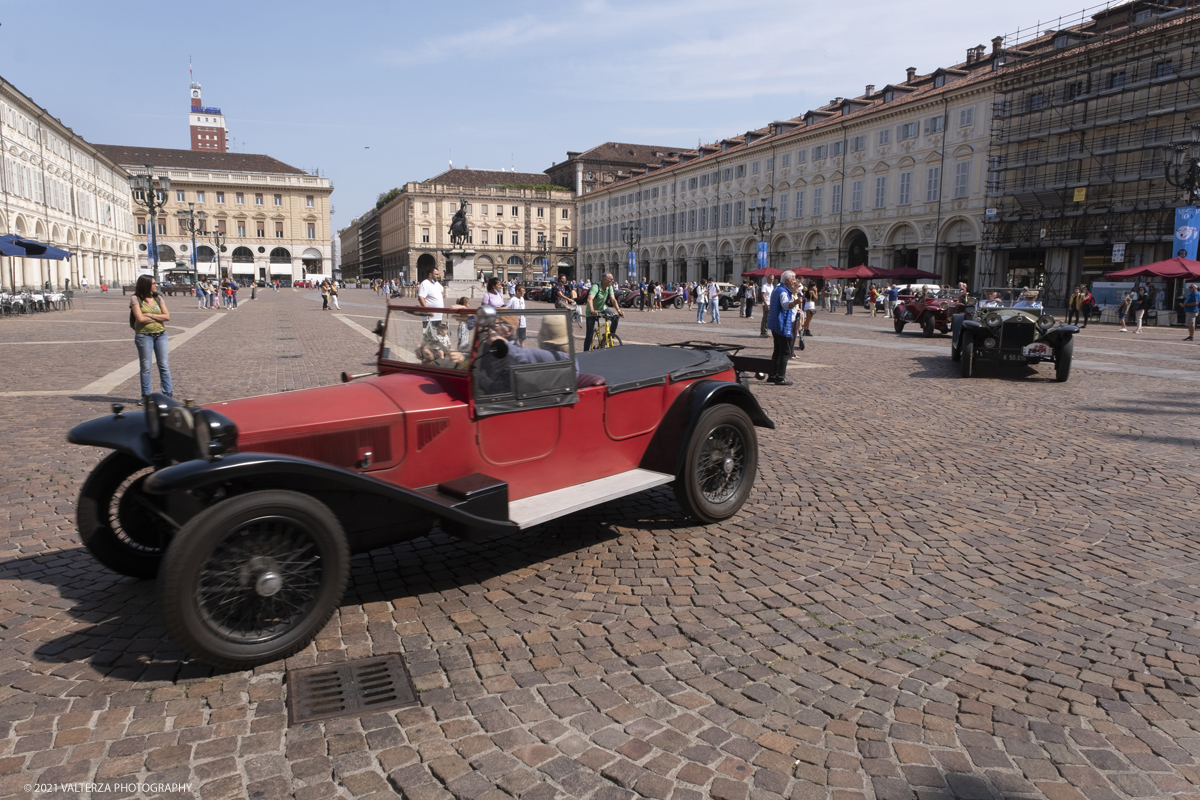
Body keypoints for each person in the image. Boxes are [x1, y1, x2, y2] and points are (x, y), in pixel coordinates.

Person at [130, 275, 173, 398]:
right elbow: (140, 319)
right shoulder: (135, 299)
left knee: (164, 365)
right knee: (146, 367)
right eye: (154, 283)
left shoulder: (158, 298)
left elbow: (167, 317)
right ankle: (146, 396)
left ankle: (167, 393)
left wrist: (150, 315)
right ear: (146, 285)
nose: (157, 285)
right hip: (144, 336)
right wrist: (156, 317)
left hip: (161, 335)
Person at [767, 270, 802, 386]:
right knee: (785, 352)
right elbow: (786, 305)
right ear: (787, 280)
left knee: (777, 350)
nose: (794, 282)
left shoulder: (777, 289)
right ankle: (780, 377)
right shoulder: (783, 292)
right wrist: (795, 302)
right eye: (793, 280)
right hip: (782, 325)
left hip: (775, 324)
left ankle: (772, 375)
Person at [584, 272, 623, 351]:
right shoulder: (596, 287)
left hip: (602, 308)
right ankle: (585, 352)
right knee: (589, 334)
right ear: (605, 280)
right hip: (591, 311)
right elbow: (589, 299)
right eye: (611, 279)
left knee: (615, 317)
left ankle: (609, 337)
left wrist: (619, 310)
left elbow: (613, 299)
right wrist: (592, 310)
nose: (613, 281)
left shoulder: (609, 287)